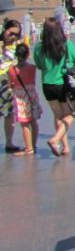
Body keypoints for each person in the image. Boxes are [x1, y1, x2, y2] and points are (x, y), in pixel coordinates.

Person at [33, 16, 75, 157]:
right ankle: (55, 140)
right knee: (70, 115)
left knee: (58, 116)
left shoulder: (40, 47)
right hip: (63, 84)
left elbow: (39, 65)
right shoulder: (66, 44)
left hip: (47, 84)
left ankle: (64, 146)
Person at [8, 43, 41, 156]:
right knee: (33, 121)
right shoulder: (32, 68)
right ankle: (33, 145)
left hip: (20, 97)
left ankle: (28, 148)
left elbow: (10, 85)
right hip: (32, 96)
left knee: (24, 123)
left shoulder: (11, 70)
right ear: (28, 54)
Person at [0, 19, 22, 153]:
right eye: (11, 32)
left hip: (10, 85)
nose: (13, 36)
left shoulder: (17, 46)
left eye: (16, 34)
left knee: (9, 114)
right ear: (5, 29)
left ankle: (9, 142)